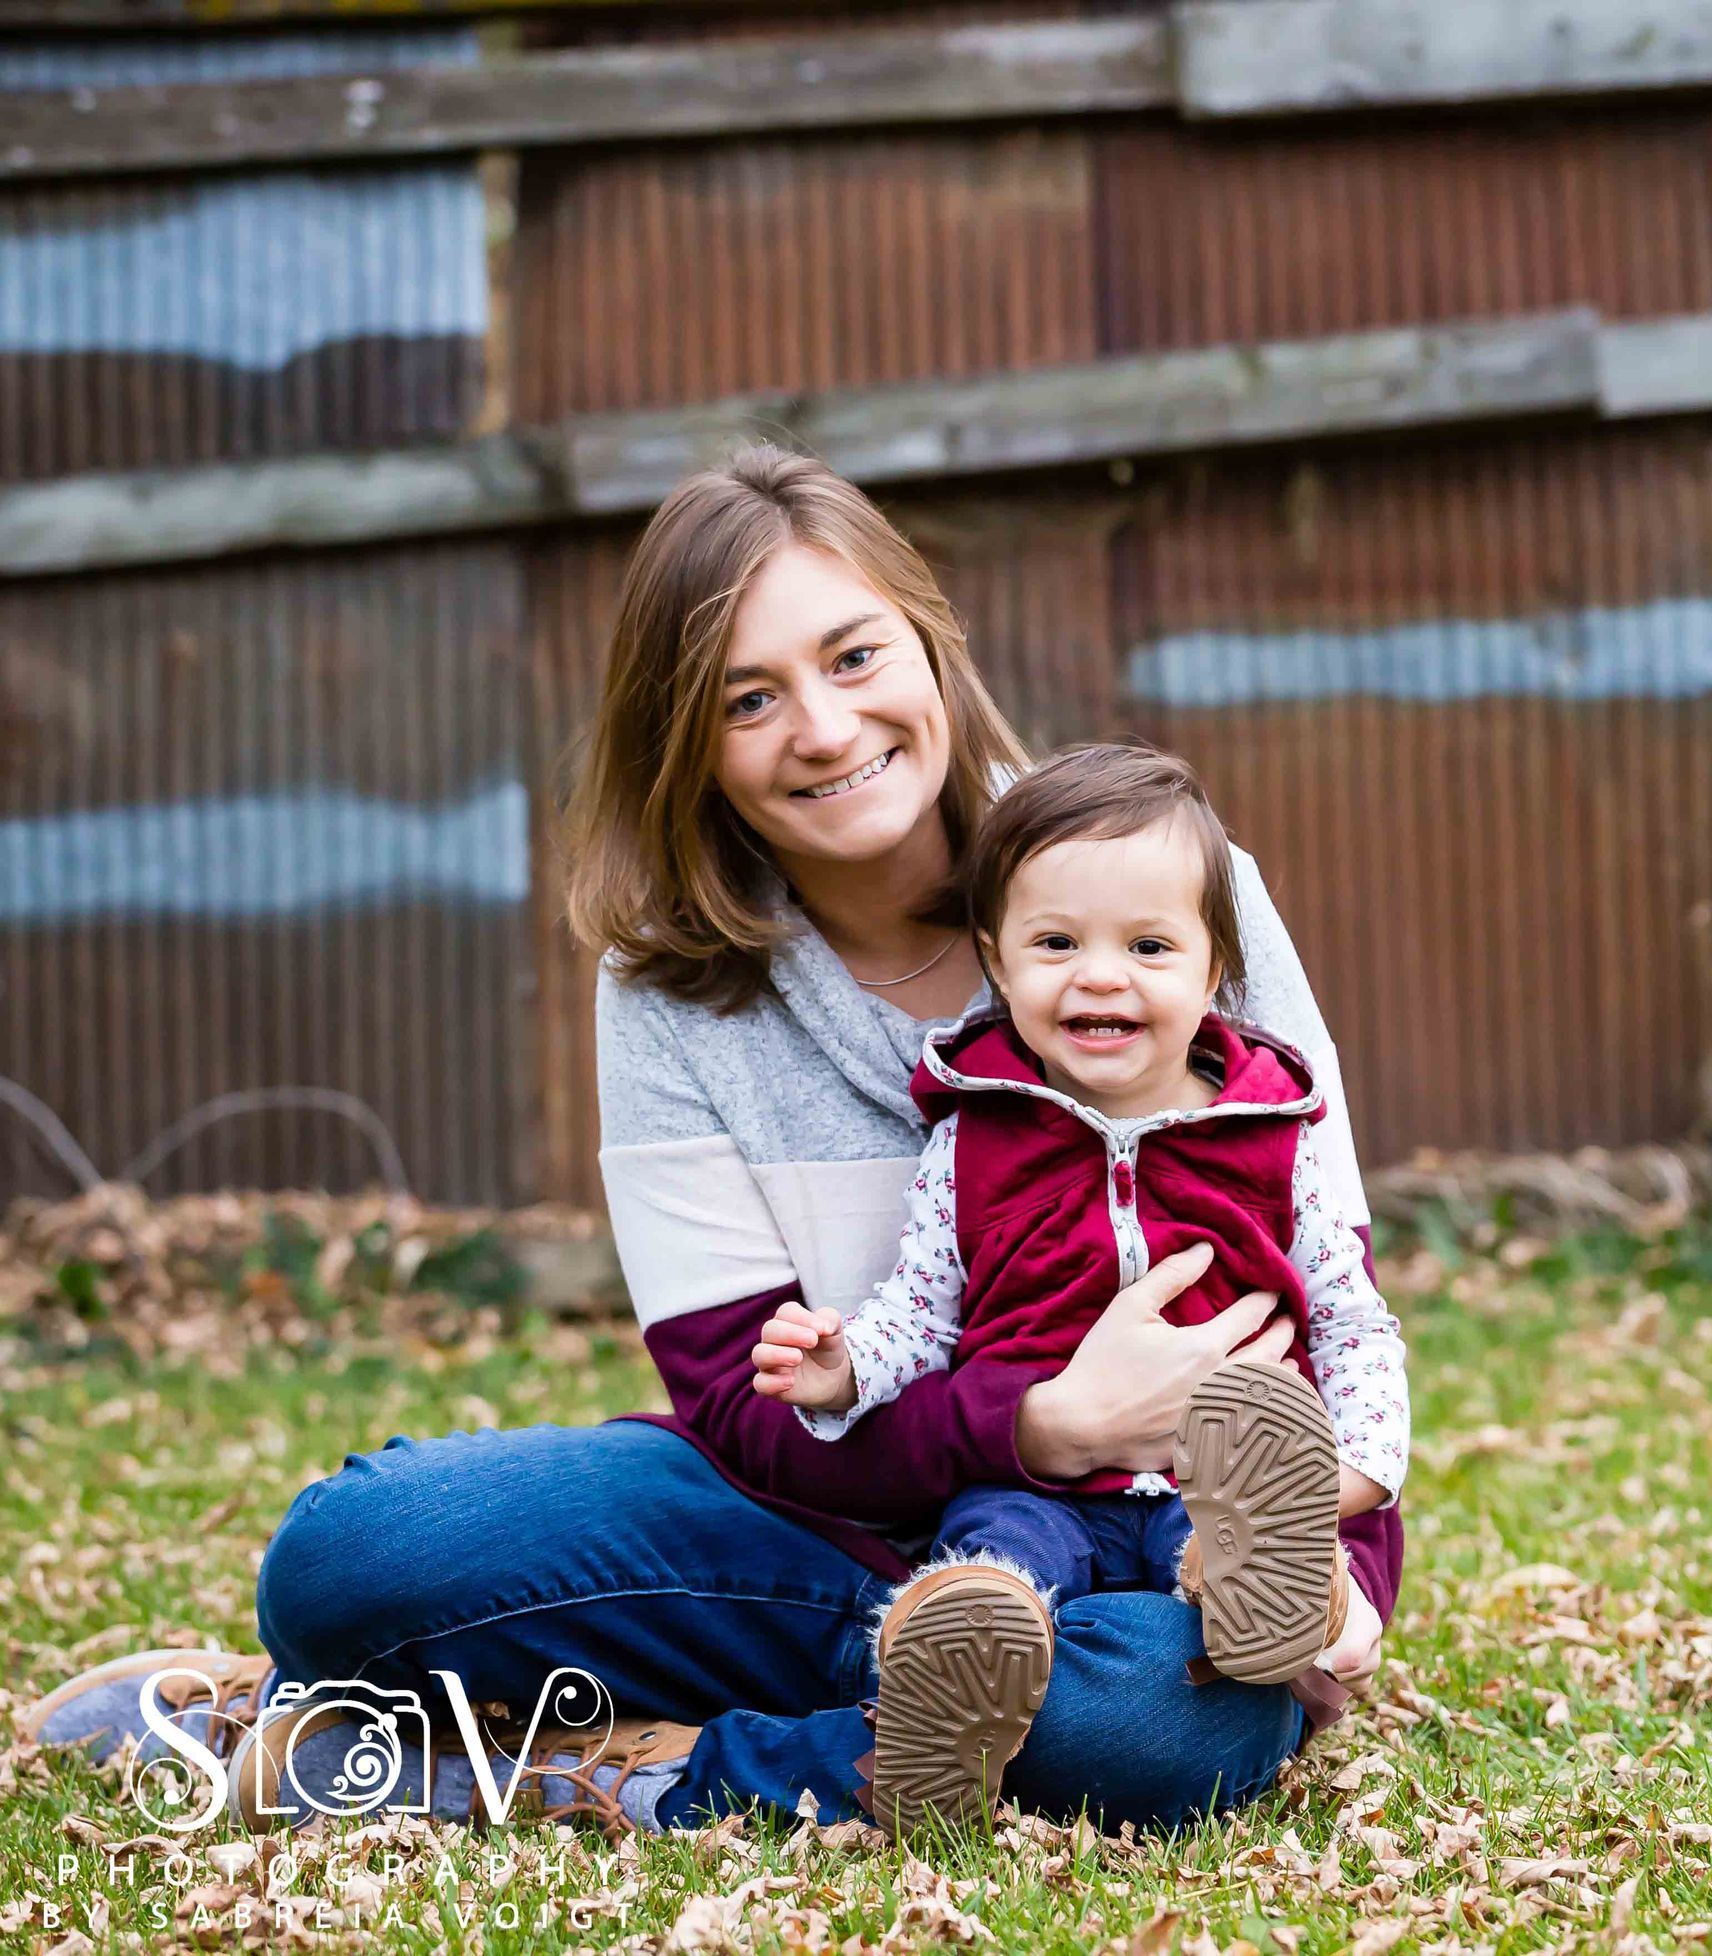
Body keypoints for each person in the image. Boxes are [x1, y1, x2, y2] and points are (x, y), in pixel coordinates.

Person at [23, 446, 1401, 1842]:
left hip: (1143, 1562)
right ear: (688, 742)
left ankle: (594, 1768)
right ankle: (904, 1686)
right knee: (347, 1561)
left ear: (930, 643)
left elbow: (1331, 1297)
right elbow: (743, 1409)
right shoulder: (671, 983)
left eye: (855, 655)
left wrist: (1334, 1591)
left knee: (1161, 1725)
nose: (822, 726)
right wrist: (1039, 1423)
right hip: (799, 1533)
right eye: (751, 698)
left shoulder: (1174, 887)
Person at [753, 742, 1409, 1834]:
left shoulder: (1275, 1137)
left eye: (1148, 946)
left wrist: (1359, 1473)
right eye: (1056, 943)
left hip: (1217, 1486)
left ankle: (1300, 1598)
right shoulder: (972, 1138)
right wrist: (842, 1369)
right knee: (991, 1572)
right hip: (1039, 1484)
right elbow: (922, 1305)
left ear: (1213, 974)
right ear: (999, 966)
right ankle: (945, 1698)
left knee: (1235, 1553)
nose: (1099, 975)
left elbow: (1349, 1319)